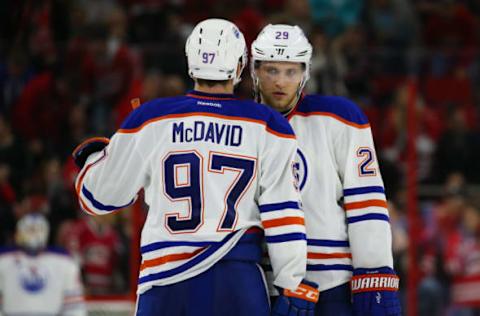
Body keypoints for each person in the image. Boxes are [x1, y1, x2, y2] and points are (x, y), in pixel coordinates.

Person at [72, 19, 318, 316]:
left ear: (191, 61)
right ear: (240, 65)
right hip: (237, 280)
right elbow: (284, 213)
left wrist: (93, 156)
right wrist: (291, 284)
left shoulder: (151, 118)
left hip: (166, 280)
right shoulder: (268, 124)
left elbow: (97, 197)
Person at [251, 24, 401, 316]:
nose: (280, 81)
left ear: (305, 72)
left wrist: (375, 275)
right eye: (271, 70)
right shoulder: (240, 125)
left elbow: (366, 203)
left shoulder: (338, 118)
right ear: (254, 71)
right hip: (262, 283)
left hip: (333, 283)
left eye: (290, 71)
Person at [0, 213, 86, 316]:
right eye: (30, 229)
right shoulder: (4, 261)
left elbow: (74, 306)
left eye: (37, 230)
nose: (33, 234)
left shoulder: (64, 263)